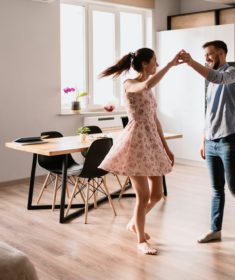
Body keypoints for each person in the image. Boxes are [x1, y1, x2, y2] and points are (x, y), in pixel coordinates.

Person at [99, 48, 183, 255]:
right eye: (155, 61)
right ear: (145, 64)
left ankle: (134, 223)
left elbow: (155, 120)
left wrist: (166, 147)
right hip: (135, 143)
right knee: (143, 196)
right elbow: (146, 84)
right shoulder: (130, 84)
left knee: (157, 194)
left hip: (151, 142)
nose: (158, 64)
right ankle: (140, 241)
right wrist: (172, 64)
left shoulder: (148, 88)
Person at [180, 41, 235, 249]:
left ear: (221, 53)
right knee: (216, 189)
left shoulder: (233, 73)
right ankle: (215, 229)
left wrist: (190, 62)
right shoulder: (210, 78)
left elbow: (218, 77)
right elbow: (209, 110)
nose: (206, 58)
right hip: (212, 140)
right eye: (204, 55)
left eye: (209, 55)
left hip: (230, 138)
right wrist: (204, 138)